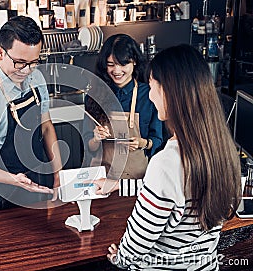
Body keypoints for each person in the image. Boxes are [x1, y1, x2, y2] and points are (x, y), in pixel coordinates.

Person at [94, 44, 241, 270]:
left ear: (169, 92)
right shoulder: (222, 150)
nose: (150, 95)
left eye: (153, 86)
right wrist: (120, 187)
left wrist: (119, 258)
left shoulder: (166, 163)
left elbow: (135, 248)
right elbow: (176, 192)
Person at [0, 16, 62, 211]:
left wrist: (58, 173)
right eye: (20, 62)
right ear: (0, 53)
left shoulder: (36, 77)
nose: (27, 70)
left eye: (33, 62)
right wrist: (14, 180)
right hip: (2, 192)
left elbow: (46, 126)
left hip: (38, 178)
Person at [83, 34, 162, 179]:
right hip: (103, 179)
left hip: (138, 180)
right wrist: (95, 138)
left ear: (135, 62)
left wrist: (142, 143)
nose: (117, 71)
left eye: (123, 64)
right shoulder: (95, 96)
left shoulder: (149, 95)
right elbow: (88, 147)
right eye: (111, 64)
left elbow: (157, 141)